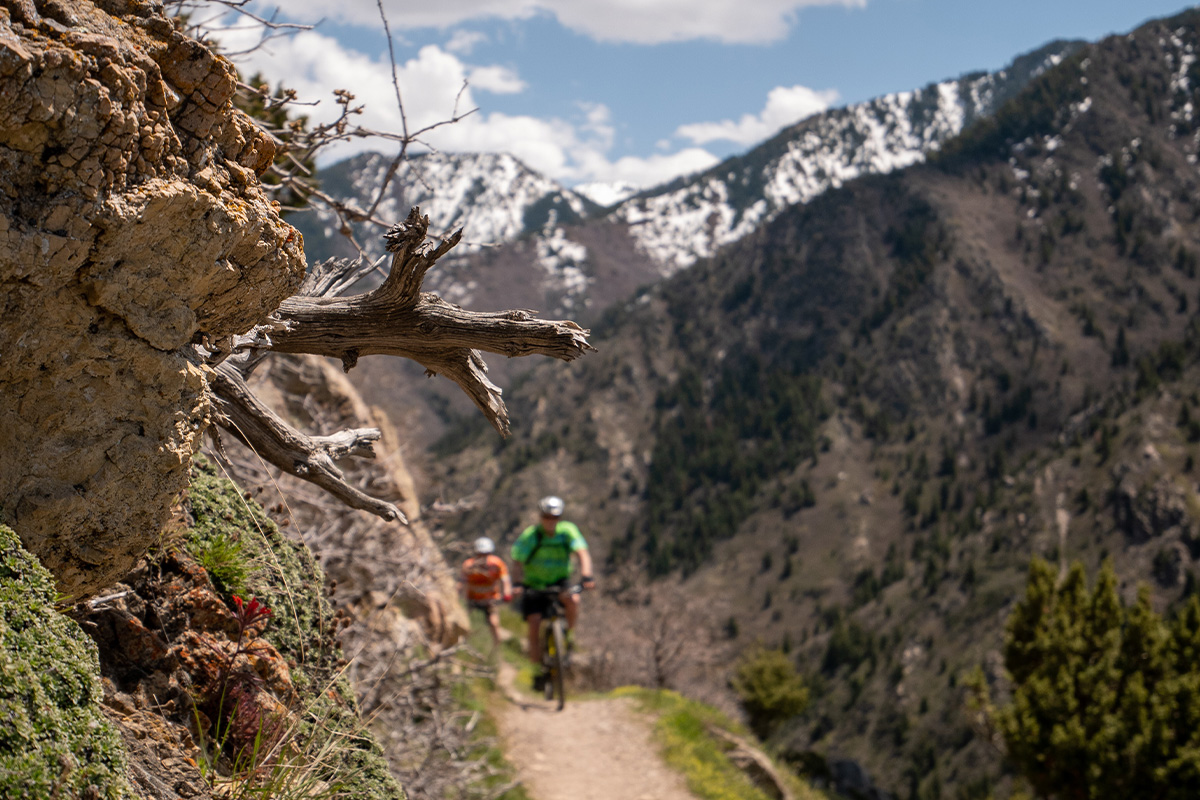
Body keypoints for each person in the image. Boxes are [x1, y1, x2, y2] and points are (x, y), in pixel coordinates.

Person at [510, 495, 595, 687]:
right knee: (534, 624)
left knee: (573, 600)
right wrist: (517, 583)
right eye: (547, 517)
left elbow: (582, 552)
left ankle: (568, 636)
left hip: (560, 581)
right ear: (540, 516)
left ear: (560, 517)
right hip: (534, 585)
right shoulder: (531, 536)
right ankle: (536, 671)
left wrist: (587, 575)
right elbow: (517, 562)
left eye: (555, 517)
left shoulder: (567, 532)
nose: (550, 521)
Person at [459, 536, 512, 649]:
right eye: (480, 554)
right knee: (464, 623)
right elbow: (462, 582)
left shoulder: (497, 564)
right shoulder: (468, 565)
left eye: (486, 554)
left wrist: (507, 593)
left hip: (490, 600)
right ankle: (463, 646)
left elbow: (505, 579)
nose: (483, 558)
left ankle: (497, 649)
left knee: (494, 623)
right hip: (472, 600)